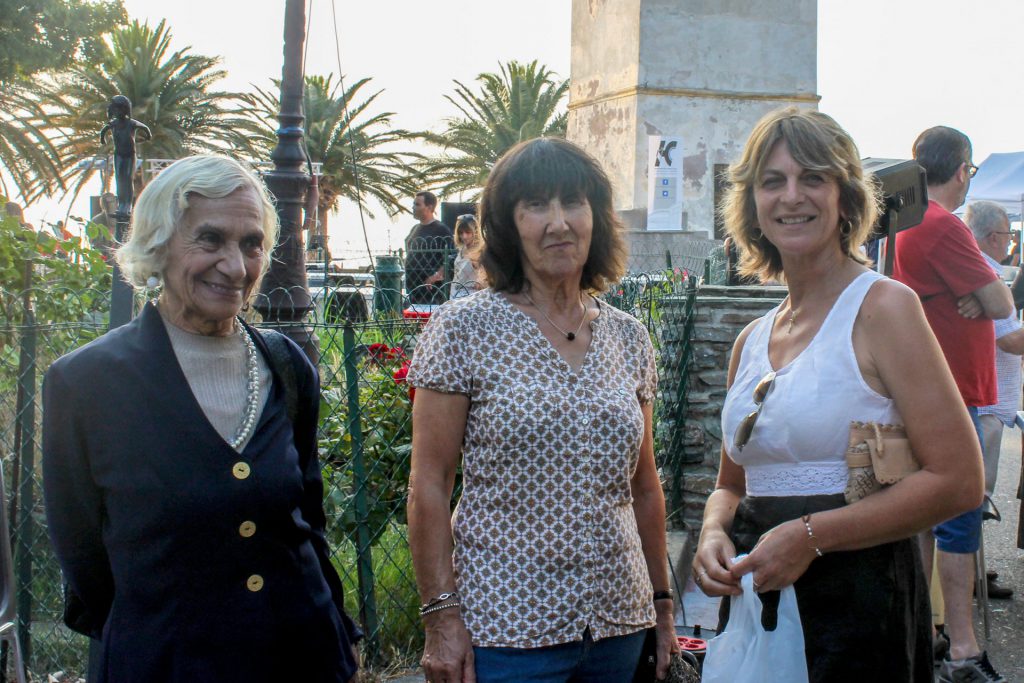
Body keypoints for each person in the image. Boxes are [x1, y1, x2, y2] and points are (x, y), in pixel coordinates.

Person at [41, 154, 361, 683]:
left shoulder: (285, 365)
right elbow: (84, 560)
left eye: (252, 243)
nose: (236, 266)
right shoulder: (87, 383)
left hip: (302, 657)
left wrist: (338, 631)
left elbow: (307, 520)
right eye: (210, 240)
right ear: (159, 244)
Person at [693, 107, 984, 682]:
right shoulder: (751, 340)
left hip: (861, 607)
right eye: (772, 181)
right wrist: (710, 533)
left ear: (847, 198)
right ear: (751, 204)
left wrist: (809, 537)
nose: (791, 196)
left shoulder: (884, 308)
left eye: (813, 178)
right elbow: (733, 485)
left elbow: (959, 478)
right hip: (761, 601)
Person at [407, 137, 678, 683]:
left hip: (619, 625)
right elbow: (429, 483)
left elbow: (645, 487)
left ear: (596, 218)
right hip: (508, 631)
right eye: (535, 205)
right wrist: (441, 619)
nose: (558, 222)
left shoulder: (628, 337)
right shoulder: (462, 330)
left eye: (573, 201)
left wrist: (663, 606)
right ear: (507, 224)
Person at [892, 126, 1011, 682]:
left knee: (927, 518)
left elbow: (988, 301)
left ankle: (927, 634)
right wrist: (980, 294)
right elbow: (1001, 299)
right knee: (959, 515)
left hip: (936, 389)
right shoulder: (941, 225)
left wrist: (978, 296)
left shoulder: (914, 223)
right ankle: (961, 648)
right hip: (953, 393)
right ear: (961, 168)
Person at [965, 200, 1020, 600]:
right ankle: (968, 577)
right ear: (993, 238)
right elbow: (1008, 338)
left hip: (987, 399)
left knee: (975, 495)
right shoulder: (986, 272)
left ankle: (970, 573)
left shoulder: (983, 268)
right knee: (975, 495)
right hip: (987, 401)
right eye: (1007, 236)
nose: (1010, 243)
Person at [99, 94, 152, 217]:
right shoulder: (114, 124)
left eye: (120, 109)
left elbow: (145, 128)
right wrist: (102, 139)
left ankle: (127, 206)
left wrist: (147, 136)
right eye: (115, 110)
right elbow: (104, 131)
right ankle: (121, 205)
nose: (118, 112)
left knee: (127, 179)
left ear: (125, 109)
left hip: (129, 155)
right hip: (119, 155)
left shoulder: (131, 123)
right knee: (119, 179)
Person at [405, 190, 454, 304]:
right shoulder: (415, 229)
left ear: (429, 207)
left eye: (417, 204)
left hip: (432, 290)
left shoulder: (441, 229)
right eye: (414, 204)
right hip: (413, 286)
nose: (413, 207)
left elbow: (451, 256)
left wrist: (436, 276)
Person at [450, 213, 481, 299]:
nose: (464, 236)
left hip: (471, 296)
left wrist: (480, 282)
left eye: (468, 232)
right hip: (455, 294)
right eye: (461, 233)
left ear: (475, 231)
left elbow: (486, 276)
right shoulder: (462, 249)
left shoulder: (480, 251)